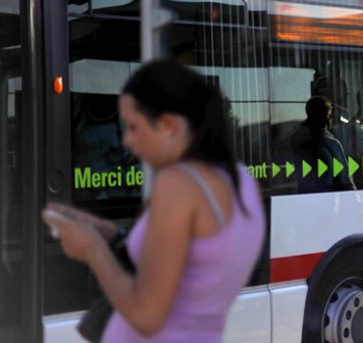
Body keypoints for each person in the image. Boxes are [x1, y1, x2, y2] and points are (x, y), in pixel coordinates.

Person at [41, 59, 265, 342]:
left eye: (134, 127)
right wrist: (110, 234)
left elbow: (147, 314)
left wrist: (92, 249)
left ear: (168, 125)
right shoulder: (241, 181)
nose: (127, 142)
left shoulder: (180, 185)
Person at [291, 96, 356, 193]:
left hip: (306, 197)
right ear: (326, 117)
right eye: (329, 115)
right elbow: (344, 179)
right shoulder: (331, 143)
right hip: (330, 199)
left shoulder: (297, 140)